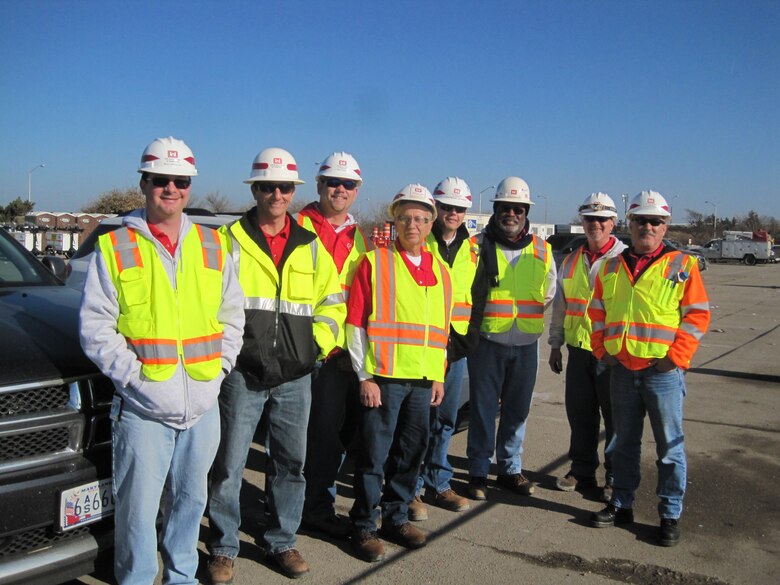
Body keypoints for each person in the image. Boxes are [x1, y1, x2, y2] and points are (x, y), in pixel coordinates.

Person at [79, 136, 245, 585]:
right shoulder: (115, 247)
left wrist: (218, 375)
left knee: (191, 503)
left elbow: (233, 317)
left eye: (180, 181)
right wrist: (136, 382)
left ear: (190, 186)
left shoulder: (214, 246)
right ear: (144, 183)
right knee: (138, 511)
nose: (170, 188)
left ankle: (182, 578)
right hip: (143, 409)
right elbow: (96, 329)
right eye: (160, 180)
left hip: (202, 406)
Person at [206, 147, 345, 581]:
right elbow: (209, 305)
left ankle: (281, 542)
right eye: (268, 186)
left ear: (293, 191)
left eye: (285, 187)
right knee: (229, 463)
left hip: (295, 377)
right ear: (256, 189)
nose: (277, 194)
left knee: (290, 464)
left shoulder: (310, 246)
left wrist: (314, 348)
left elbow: (332, 303)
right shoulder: (229, 240)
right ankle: (224, 546)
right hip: (242, 375)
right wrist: (229, 355)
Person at [588, 190, 710, 547]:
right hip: (622, 369)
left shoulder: (682, 265)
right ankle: (621, 503)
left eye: (655, 221)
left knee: (669, 447)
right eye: (641, 220)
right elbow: (596, 312)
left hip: (663, 374)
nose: (648, 227)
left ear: (665, 225)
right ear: (630, 223)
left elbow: (698, 315)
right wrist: (602, 349)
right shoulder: (610, 266)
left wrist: (676, 358)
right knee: (622, 443)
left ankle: (669, 512)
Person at [347, 184, 453, 562]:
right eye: (406, 217)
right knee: (374, 456)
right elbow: (356, 324)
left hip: (423, 382)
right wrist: (365, 376)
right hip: (384, 379)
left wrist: (438, 375)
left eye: (422, 218)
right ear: (395, 220)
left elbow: (440, 331)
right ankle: (364, 526)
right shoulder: (375, 262)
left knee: (410, 454)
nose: (414, 224)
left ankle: (396, 517)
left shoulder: (441, 271)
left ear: (430, 224)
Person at [466, 176, 556, 500]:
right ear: (496, 208)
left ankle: (509, 468)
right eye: (505, 208)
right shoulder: (475, 247)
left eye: (518, 209)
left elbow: (549, 294)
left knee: (517, 411)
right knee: (483, 409)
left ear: (526, 212)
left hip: (526, 347)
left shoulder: (543, 251)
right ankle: (477, 471)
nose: (511, 214)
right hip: (487, 345)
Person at [298, 152, 373, 539]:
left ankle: (316, 502)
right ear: (319, 185)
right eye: (333, 182)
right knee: (319, 435)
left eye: (348, 185)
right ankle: (314, 508)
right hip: (313, 351)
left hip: (350, 350)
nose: (339, 190)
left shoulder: (359, 237)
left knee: (344, 436)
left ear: (357, 191)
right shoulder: (298, 227)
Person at [410, 177, 485, 521]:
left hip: (455, 348)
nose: (453, 213)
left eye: (459, 208)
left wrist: (468, 340)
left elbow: (478, 298)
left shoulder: (473, 251)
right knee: (416, 422)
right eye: (447, 207)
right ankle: (409, 488)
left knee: (445, 420)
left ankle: (438, 483)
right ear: (436, 208)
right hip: (423, 347)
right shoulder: (421, 243)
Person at [548, 193, 626, 501]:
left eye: (602, 219)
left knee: (616, 418)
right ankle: (582, 470)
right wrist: (555, 345)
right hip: (578, 349)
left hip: (612, 352)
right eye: (589, 219)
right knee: (580, 415)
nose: (595, 224)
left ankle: (615, 477)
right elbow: (560, 306)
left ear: (613, 223)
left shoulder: (624, 260)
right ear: (582, 222)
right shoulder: (570, 260)